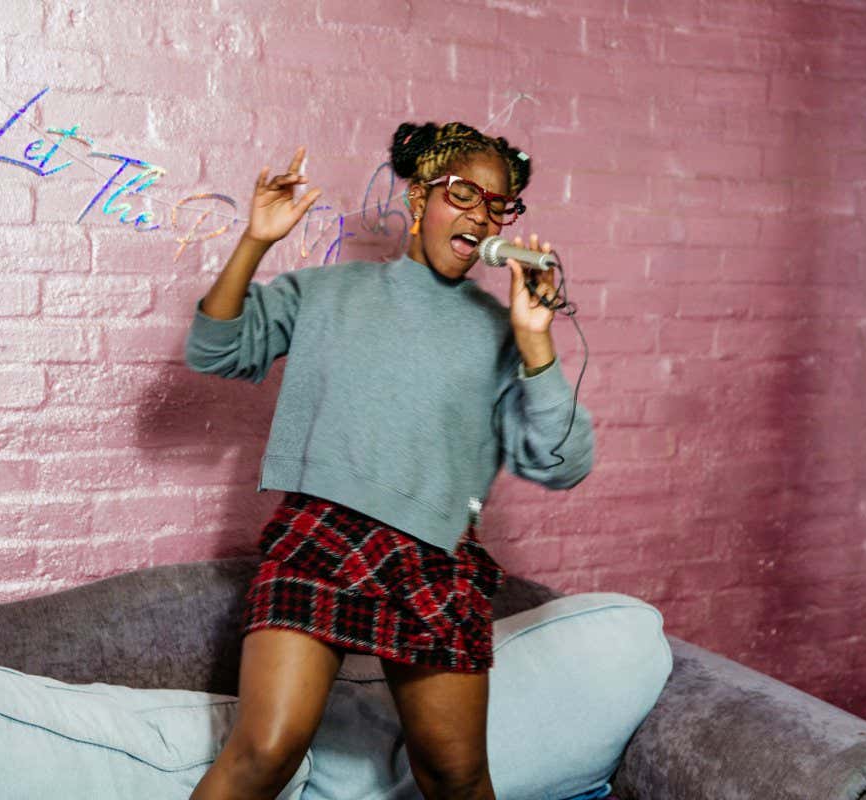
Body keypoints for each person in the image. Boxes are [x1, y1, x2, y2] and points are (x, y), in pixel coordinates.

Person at [183, 121, 594, 800]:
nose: (481, 215)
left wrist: (534, 340)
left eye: (498, 205)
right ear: (418, 199)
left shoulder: (502, 333)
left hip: (434, 557)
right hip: (320, 536)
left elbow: (562, 462)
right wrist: (256, 240)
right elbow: (214, 350)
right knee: (265, 749)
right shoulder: (326, 293)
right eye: (464, 194)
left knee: (456, 777)